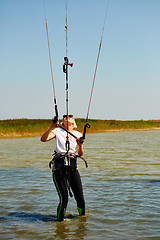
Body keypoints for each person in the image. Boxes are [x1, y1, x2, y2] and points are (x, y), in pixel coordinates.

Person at [41, 114, 85, 221]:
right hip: (59, 170)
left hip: (73, 169)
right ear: (62, 122)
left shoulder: (78, 134)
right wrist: (52, 126)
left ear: (73, 121)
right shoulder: (57, 131)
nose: (67, 117)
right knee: (64, 199)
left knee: (80, 199)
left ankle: (82, 221)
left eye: (70, 116)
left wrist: (80, 144)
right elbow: (43, 139)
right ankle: (59, 223)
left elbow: (80, 153)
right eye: (65, 116)